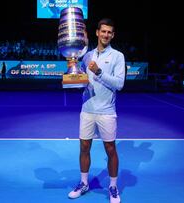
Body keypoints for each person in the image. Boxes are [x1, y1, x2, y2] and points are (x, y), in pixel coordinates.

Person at [68, 18, 125, 203]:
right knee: (84, 147)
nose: (106, 34)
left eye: (110, 32)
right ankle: (84, 183)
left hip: (107, 110)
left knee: (110, 149)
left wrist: (99, 72)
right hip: (87, 109)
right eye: (103, 31)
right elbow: (81, 81)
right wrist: (73, 77)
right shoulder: (86, 55)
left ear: (113, 35)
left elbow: (120, 84)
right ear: (97, 33)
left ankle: (113, 186)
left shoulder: (118, 56)